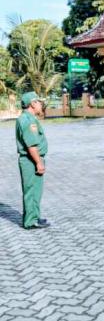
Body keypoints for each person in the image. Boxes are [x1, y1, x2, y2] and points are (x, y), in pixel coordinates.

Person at [15, 92, 50, 229]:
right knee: (31, 191)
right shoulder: (27, 120)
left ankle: (34, 216)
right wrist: (38, 162)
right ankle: (30, 221)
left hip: (33, 159)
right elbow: (31, 145)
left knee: (36, 191)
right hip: (30, 160)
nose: (41, 104)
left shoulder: (30, 118)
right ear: (32, 103)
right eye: (39, 102)